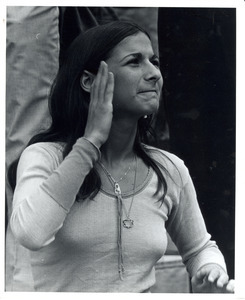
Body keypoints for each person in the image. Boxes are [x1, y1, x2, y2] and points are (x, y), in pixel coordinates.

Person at [6, 21, 235, 293]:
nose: (154, 74)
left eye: (155, 61)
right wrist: (90, 142)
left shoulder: (169, 168)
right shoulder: (45, 157)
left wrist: (211, 271)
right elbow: (31, 233)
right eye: (134, 62)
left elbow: (200, 248)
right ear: (89, 82)